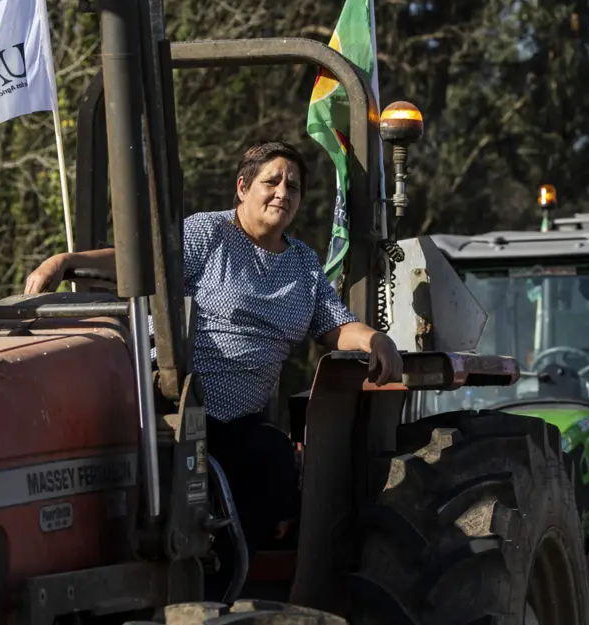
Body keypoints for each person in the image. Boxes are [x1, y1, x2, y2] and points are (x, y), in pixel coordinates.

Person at [23, 140, 405, 571]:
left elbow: (333, 324)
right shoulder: (209, 233)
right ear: (243, 187)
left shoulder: (302, 263)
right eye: (272, 181)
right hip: (174, 408)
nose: (283, 192)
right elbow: (143, 264)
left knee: (277, 464)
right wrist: (65, 261)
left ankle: (224, 581)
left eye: (294, 186)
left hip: (239, 424)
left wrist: (376, 340)